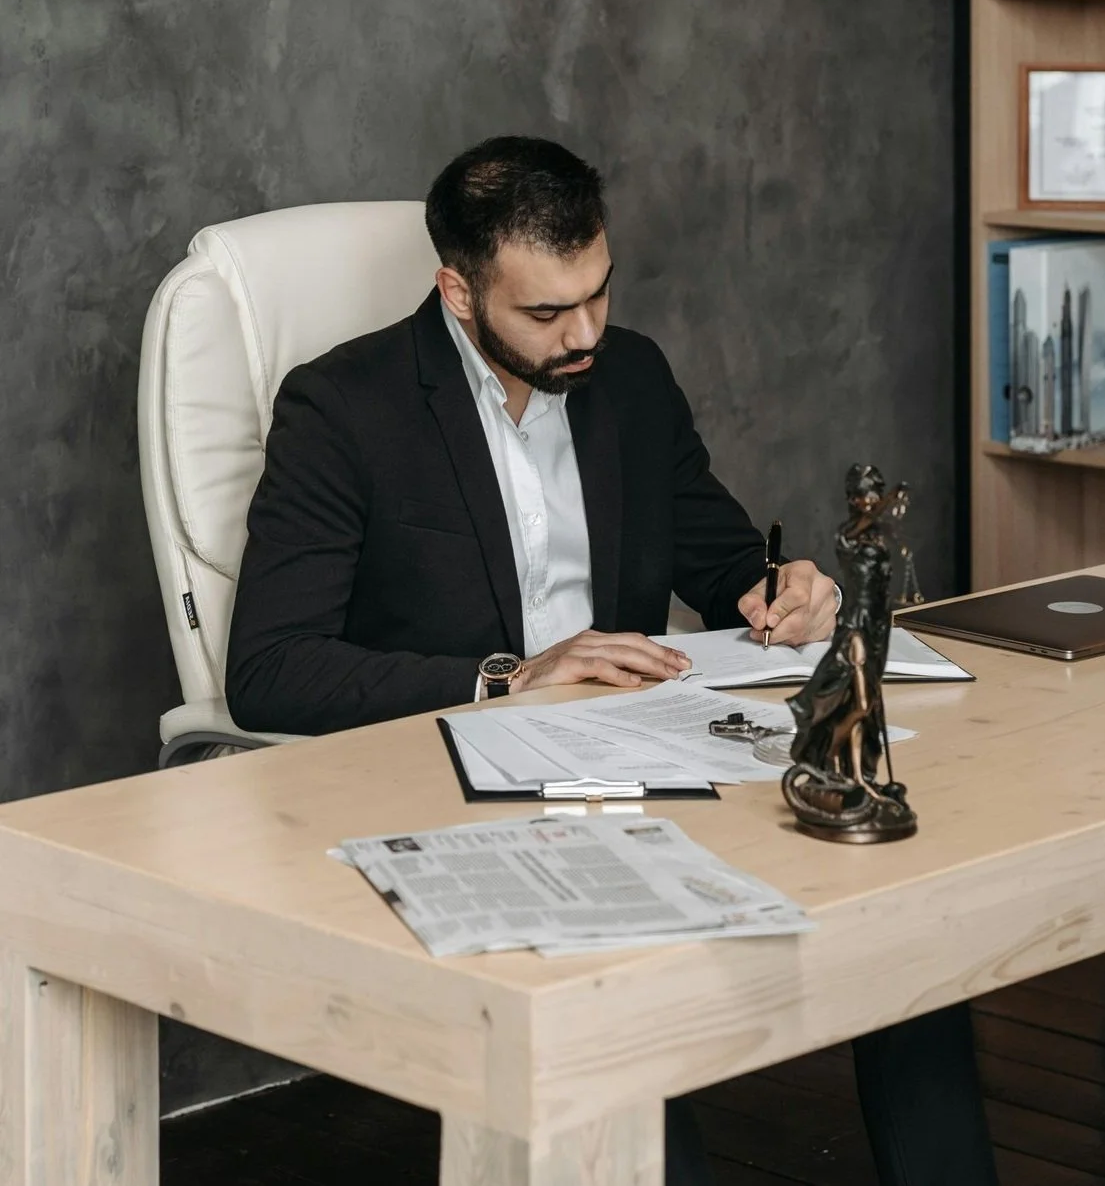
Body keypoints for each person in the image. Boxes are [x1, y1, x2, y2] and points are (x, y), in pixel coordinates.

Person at [226, 136, 998, 1186]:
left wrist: (779, 586)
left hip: (644, 763)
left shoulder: (625, 375)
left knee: (908, 925)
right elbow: (269, 668)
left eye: (595, 293)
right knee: (627, 1052)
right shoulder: (343, 409)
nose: (583, 332)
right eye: (545, 313)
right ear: (457, 290)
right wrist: (507, 674)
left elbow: (719, 549)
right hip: (456, 786)